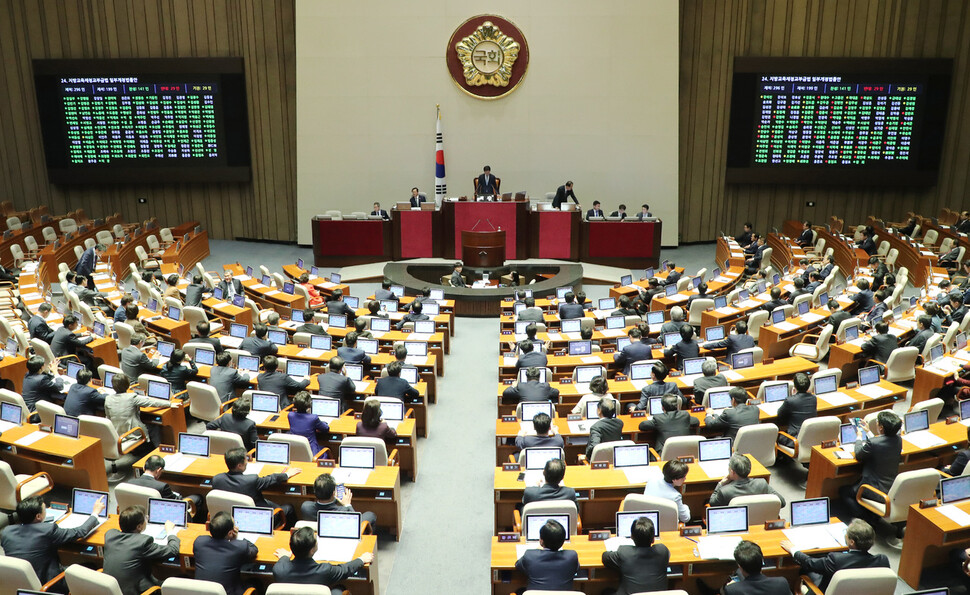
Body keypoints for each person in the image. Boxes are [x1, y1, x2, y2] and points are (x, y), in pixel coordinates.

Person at [0, 494, 105, 586]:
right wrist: (95, 513)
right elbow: (80, 532)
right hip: (49, 584)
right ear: (38, 516)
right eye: (45, 510)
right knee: (92, 566)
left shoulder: (6, 532)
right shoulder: (47, 530)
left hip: (19, 583)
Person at [782, 518, 889, 593]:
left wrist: (793, 549)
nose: (845, 535)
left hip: (827, 591)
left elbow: (809, 563)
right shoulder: (882, 560)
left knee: (804, 569)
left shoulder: (836, 560)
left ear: (851, 542)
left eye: (846, 534)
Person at [214, 447, 300, 528]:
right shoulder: (251, 480)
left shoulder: (217, 479)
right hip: (257, 520)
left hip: (228, 520)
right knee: (289, 508)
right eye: (245, 459)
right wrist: (287, 474)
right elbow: (271, 479)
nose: (247, 462)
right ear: (239, 466)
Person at [103, 505, 181, 595]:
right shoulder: (143, 542)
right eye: (145, 518)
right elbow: (173, 550)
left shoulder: (110, 535)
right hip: (133, 591)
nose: (146, 520)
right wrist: (170, 532)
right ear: (139, 527)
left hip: (111, 589)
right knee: (177, 582)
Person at [273, 526, 373, 595]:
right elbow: (345, 569)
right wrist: (361, 559)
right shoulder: (324, 570)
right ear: (312, 550)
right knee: (339, 588)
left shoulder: (279, 570)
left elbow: (283, 562)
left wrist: (285, 556)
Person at [840, 410, 902, 520]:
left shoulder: (874, 443)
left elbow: (859, 454)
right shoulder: (898, 440)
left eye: (878, 423)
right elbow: (880, 443)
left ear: (881, 427)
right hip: (890, 486)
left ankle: (866, 518)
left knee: (844, 491)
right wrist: (868, 432)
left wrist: (859, 437)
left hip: (874, 488)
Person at [191, 511, 258, 595]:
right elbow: (254, 549)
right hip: (228, 593)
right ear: (230, 532)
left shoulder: (199, 542)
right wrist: (236, 537)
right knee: (256, 582)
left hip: (201, 592)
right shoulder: (239, 547)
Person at [601, 516, 670, 595]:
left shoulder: (625, 552)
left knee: (606, 592)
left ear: (632, 537)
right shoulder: (663, 551)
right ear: (653, 539)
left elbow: (605, 557)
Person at [105, 373, 172, 446]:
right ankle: (157, 448)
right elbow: (152, 402)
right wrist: (170, 404)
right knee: (154, 426)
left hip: (117, 431)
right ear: (127, 385)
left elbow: (108, 417)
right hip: (133, 432)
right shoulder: (131, 397)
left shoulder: (108, 399)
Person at [516, 519, 579, 592]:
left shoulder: (530, 555)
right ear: (563, 541)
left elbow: (518, 565)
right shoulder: (571, 556)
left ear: (541, 541)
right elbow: (576, 568)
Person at [300, 472, 377, 526]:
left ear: (314, 492)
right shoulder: (343, 511)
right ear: (333, 493)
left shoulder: (305, 507)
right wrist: (347, 504)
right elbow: (355, 522)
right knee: (370, 515)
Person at [709, 454, 785, 507]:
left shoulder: (724, 491)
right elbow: (782, 502)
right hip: (759, 522)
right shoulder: (762, 483)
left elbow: (712, 503)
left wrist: (720, 484)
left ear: (732, 472)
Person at [722, 541, 793, 595]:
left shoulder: (732, 590)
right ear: (762, 561)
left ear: (740, 566)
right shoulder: (781, 583)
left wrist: (734, 586)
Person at [776, 372, 816, 447]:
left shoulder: (790, 400)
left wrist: (793, 396)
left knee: (777, 436)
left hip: (794, 440)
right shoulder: (814, 398)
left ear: (795, 386)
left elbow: (780, 414)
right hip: (810, 437)